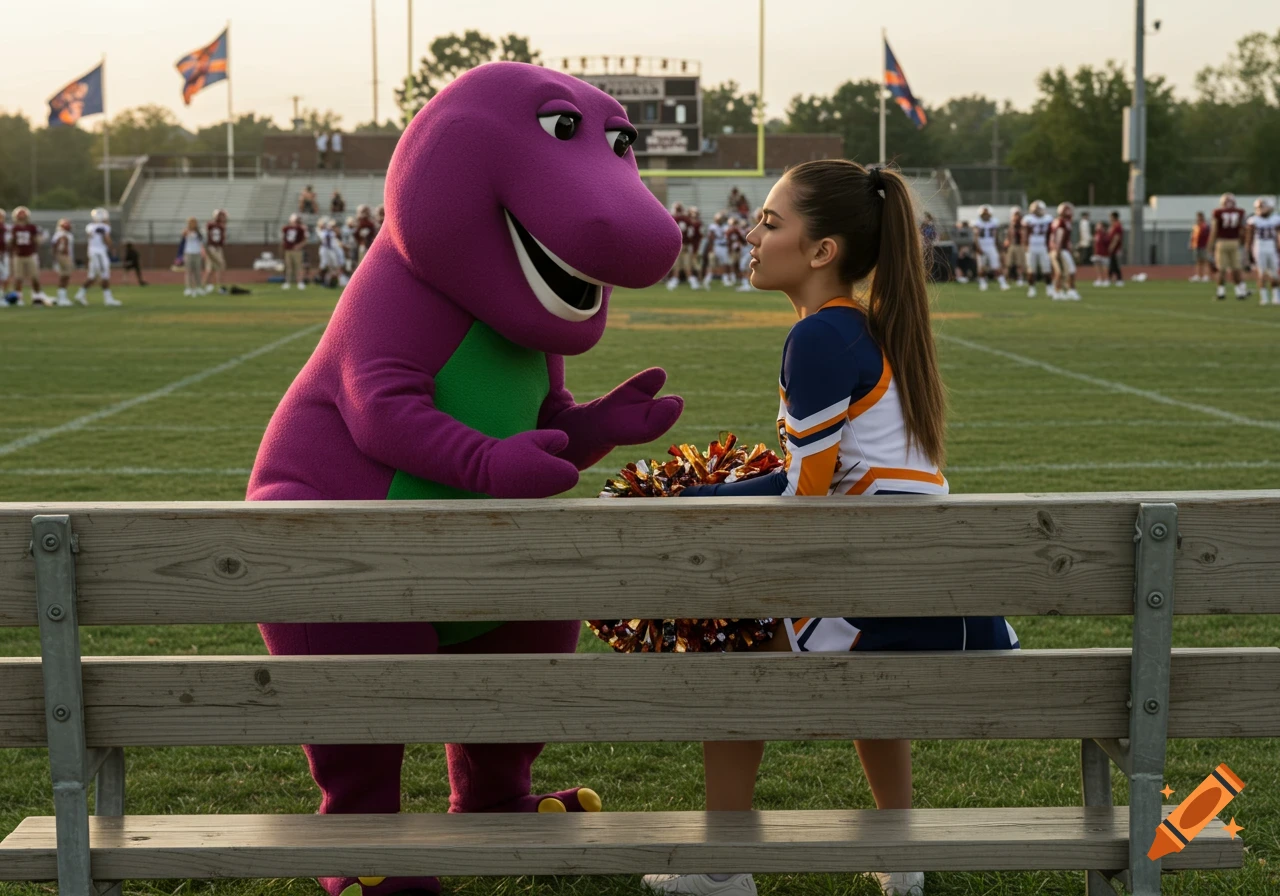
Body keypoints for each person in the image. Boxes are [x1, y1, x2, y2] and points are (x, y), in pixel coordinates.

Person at [644, 160, 1019, 896]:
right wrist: (709, 493)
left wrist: (683, 505)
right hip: (946, 599)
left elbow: (803, 499)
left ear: (823, 253)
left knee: (729, 645)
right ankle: (900, 849)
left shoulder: (819, 339)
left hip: (888, 594)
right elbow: (806, 484)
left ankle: (720, 866)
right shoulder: (870, 332)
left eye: (772, 223)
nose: (751, 234)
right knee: (853, 649)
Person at [75, 207, 120, 306]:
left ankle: (80, 294)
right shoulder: (104, 227)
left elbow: (90, 236)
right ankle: (108, 299)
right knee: (105, 275)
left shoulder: (90, 226)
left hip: (92, 252)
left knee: (92, 276)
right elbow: (107, 239)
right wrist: (112, 248)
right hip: (99, 253)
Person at [1209, 193, 1247, 300]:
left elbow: (1215, 230)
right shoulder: (1240, 212)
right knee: (1236, 268)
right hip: (1235, 242)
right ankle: (1239, 292)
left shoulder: (1218, 212)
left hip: (1222, 242)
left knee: (1221, 269)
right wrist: (1242, 242)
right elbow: (1243, 230)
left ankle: (1221, 292)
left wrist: (1210, 245)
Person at [9, 207, 50, 305]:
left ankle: (36, 297)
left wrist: (38, 240)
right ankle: (18, 298)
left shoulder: (32, 227)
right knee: (18, 278)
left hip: (30, 254)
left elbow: (38, 239)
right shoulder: (13, 228)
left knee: (35, 277)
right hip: (18, 255)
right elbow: (11, 242)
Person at [1245, 196, 1280, 306]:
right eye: (1259, 207)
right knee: (1261, 273)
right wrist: (1248, 252)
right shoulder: (1253, 220)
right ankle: (1264, 298)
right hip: (1259, 247)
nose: (1261, 209)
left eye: (1263, 207)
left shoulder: (1276, 219)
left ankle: (1276, 297)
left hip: (1272, 247)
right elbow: (1249, 238)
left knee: (1275, 273)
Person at [1022, 199, 1054, 298]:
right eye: (1036, 209)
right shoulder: (1028, 219)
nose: (1038, 211)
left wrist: (1050, 245)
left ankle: (1049, 287)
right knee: (1031, 269)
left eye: (1039, 209)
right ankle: (1032, 288)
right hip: (1032, 246)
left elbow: (1051, 233)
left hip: (1043, 246)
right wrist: (1026, 246)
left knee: (1046, 269)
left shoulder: (1048, 218)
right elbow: (1024, 233)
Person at [973, 205, 1009, 291]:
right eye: (984, 214)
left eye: (987, 213)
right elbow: (975, 237)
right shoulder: (977, 223)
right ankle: (983, 283)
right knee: (982, 267)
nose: (985, 215)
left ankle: (1002, 283)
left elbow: (995, 236)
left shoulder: (994, 222)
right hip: (982, 246)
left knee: (996, 266)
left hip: (991, 246)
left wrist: (998, 246)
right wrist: (978, 247)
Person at [1049, 202, 1080, 300]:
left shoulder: (1060, 221)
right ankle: (1068, 291)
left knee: (1062, 271)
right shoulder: (1062, 221)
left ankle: (1059, 291)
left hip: (1060, 249)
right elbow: (1059, 235)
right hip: (1061, 249)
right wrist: (1058, 249)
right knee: (1068, 270)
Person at [180, 217, 208, 297]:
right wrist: (188, 231)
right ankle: (188, 288)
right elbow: (183, 236)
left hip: (197, 253)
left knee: (197, 271)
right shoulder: (186, 231)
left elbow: (202, 242)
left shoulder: (199, 232)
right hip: (188, 253)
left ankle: (198, 287)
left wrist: (203, 252)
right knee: (189, 271)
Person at [51, 219, 76, 306]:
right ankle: (62, 298)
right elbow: (61, 246)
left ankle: (62, 297)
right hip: (64, 257)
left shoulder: (59, 234)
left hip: (61, 257)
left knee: (64, 276)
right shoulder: (63, 235)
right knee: (65, 276)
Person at [281, 213, 308, 289]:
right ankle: (287, 282)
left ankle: (300, 282)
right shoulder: (286, 228)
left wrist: (299, 246)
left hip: (297, 251)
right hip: (288, 250)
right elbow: (284, 239)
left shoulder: (300, 229)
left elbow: (305, 240)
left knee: (298, 266)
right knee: (288, 266)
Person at [204, 209, 228, 294]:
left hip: (218, 248)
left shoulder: (222, 226)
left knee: (216, 267)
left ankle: (216, 286)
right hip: (212, 248)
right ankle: (211, 286)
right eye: (220, 216)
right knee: (215, 267)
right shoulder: (211, 224)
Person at [1005, 206, 1026, 286]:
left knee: (1019, 264)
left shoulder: (1022, 224)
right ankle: (1006, 280)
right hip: (1012, 245)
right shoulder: (1011, 224)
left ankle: (1020, 279)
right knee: (1008, 264)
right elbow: (1009, 236)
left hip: (1019, 245)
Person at [1189, 212, 1211, 283]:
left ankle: (1206, 276)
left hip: (1204, 246)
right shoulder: (1195, 226)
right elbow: (1193, 236)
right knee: (1198, 261)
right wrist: (1191, 244)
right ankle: (1198, 275)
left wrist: (1209, 245)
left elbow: (1208, 236)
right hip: (1196, 246)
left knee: (1205, 261)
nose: (1198, 219)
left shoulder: (1205, 226)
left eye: (1200, 217)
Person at [1105, 211, 1125, 287]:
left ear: (1114, 217)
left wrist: (1111, 246)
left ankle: (1117, 279)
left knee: (1114, 264)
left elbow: (1116, 238)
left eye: (1110, 216)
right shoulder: (1113, 226)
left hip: (1115, 249)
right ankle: (1115, 278)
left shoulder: (1117, 226)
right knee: (1113, 264)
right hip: (1113, 248)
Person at [1091, 222, 1110, 286]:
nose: (1097, 227)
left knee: (1105, 266)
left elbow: (1107, 243)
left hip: (1104, 253)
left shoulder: (1104, 234)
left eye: (1098, 225)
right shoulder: (1096, 234)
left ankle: (1107, 279)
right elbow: (1095, 244)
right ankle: (1100, 279)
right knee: (1097, 266)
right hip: (1097, 253)